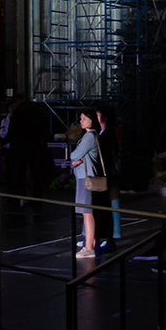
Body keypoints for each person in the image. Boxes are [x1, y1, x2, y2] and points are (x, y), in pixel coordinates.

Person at [68, 107, 102, 258]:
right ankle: (90, 244)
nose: (80, 121)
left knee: (87, 212)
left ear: (91, 120)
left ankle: (89, 247)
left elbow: (74, 155)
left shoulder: (89, 136)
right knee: (87, 212)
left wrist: (75, 160)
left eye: (83, 118)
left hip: (86, 178)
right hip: (85, 176)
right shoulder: (91, 136)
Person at [94, 104, 122, 242]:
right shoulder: (103, 133)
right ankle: (106, 237)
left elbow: (106, 155)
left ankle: (108, 237)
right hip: (107, 175)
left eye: (98, 115)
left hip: (107, 175)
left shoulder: (108, 134)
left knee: (106, 207)